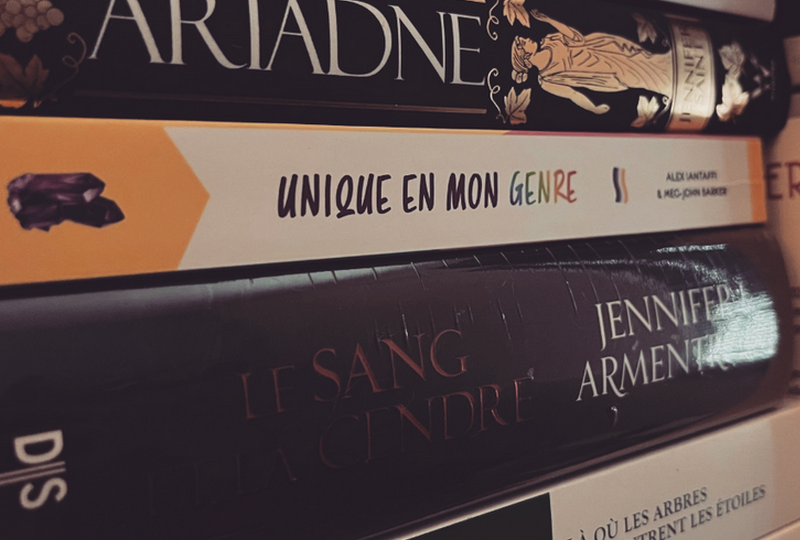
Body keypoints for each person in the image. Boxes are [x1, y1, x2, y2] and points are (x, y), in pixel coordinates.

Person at [511, 10, 673, 114]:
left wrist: (549, 20)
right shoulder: (547, 80)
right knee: (638, 77)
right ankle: (668, 83)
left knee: (641, 59)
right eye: (522, 43)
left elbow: (576, 38)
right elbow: (572, 94)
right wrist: (593, 108)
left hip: (604, 51)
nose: (525, 38)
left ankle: (669, 66)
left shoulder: (549, 40)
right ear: (524, 57)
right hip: (603, 73)